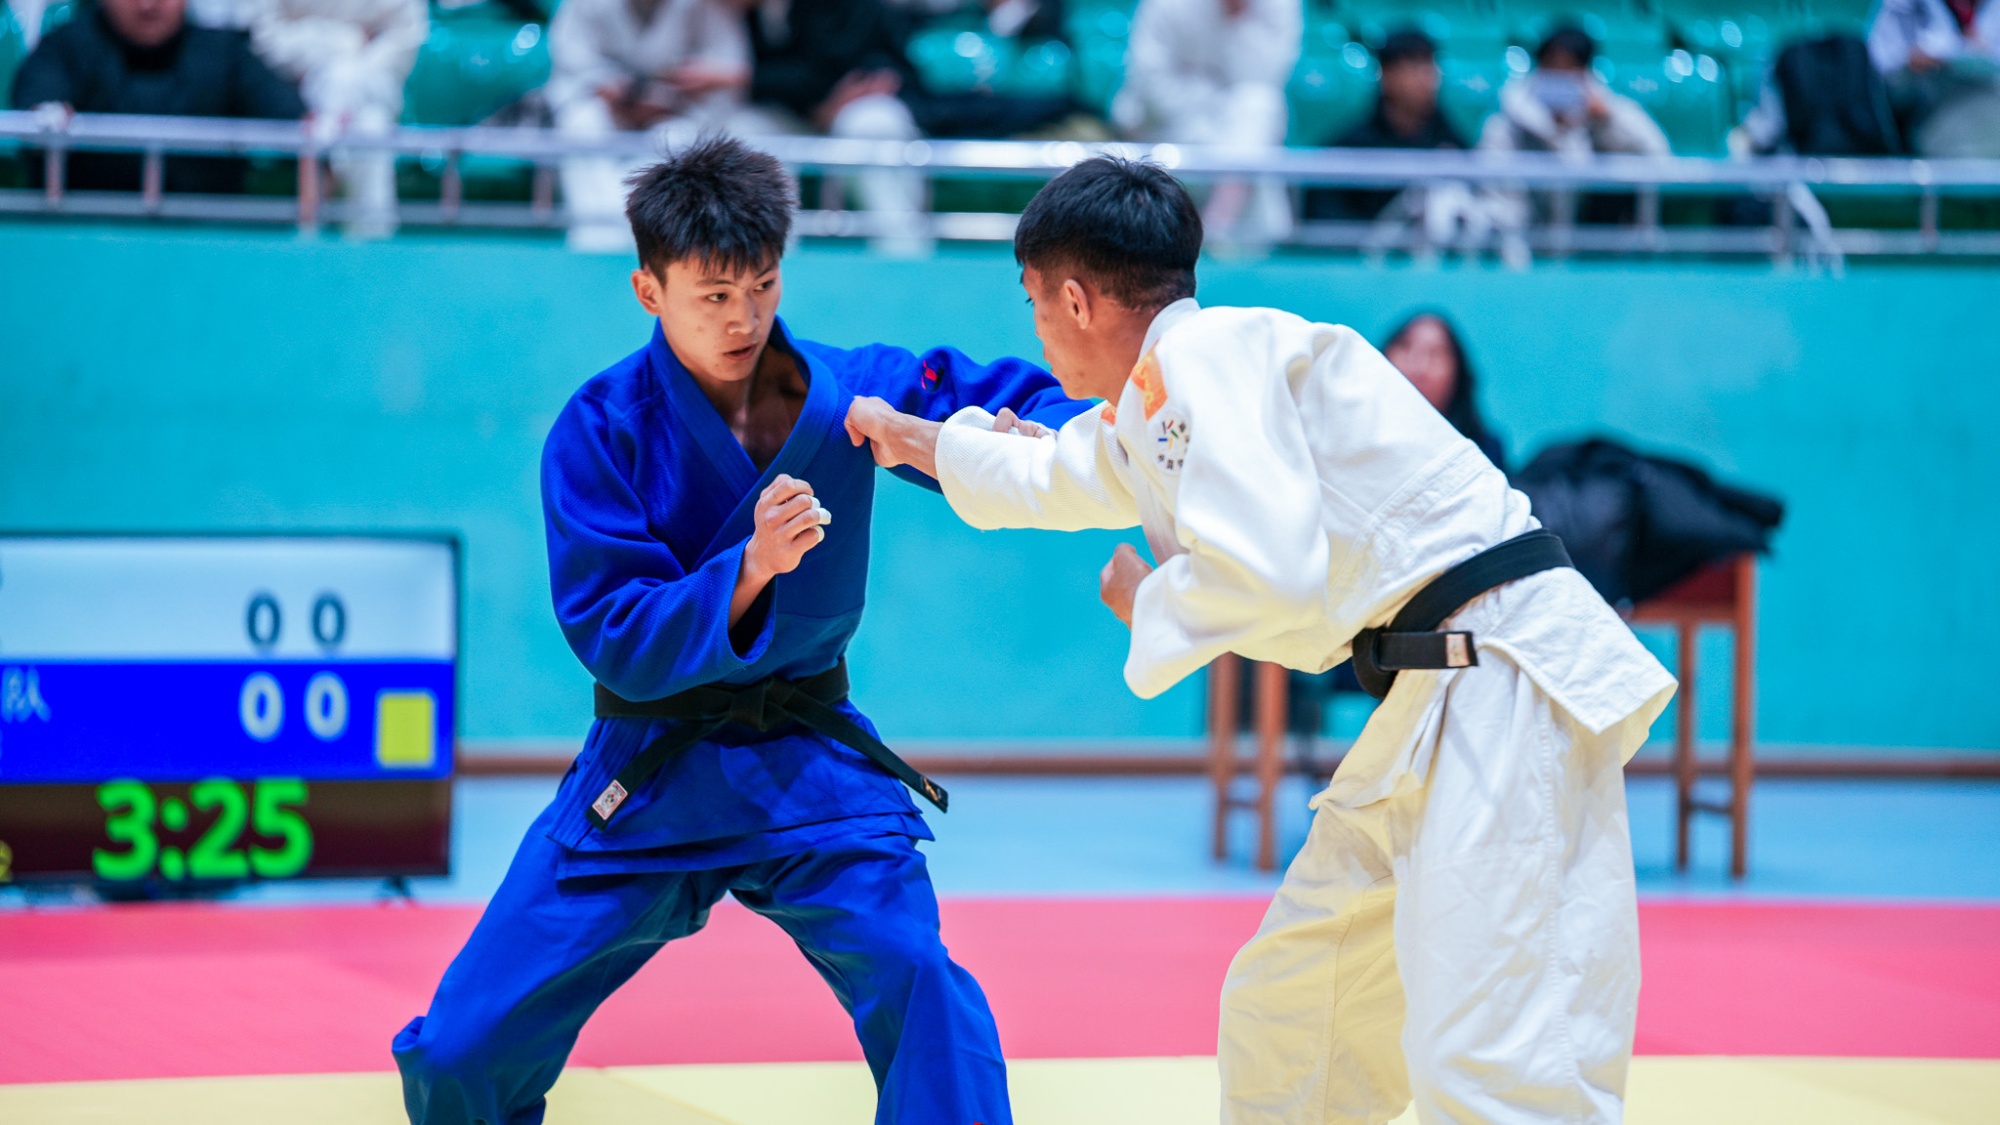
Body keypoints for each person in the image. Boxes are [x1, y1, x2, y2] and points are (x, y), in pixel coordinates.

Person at [845, 156, 1674, 1124]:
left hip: (1501, 678)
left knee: (1494, 1055)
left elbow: (1271, 571)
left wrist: (1153, 603)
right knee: (1293, 1011)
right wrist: (918, 440)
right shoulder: (1168, 391)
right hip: (1435, 694)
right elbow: (1064, 472)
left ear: (1073, 299)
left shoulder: (1209, 359)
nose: (1037, 333)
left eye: (1034, 305)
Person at [390, 135, 1089, 1125]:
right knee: (463, 1044)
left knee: (923, 981)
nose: (743, 318)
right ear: (649, 290)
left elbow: (988, 394)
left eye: (761, 287)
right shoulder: (600, 429)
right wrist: (749, 568)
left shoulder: (848, 394)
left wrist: (1034, 437)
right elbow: (613, 630)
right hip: (651, 770)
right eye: (713, 294)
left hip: (809, 760)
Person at [10, 0, 304, 193]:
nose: (148, 5)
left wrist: (311, 124)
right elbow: (37, 106)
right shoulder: (65, 49)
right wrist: (47, 115)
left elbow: (292, 117)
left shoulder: (225, 53)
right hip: (81, 243)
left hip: (209, 246)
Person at [546, 0, 752, 252]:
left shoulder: (705, 7)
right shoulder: (584, 5)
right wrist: (612, 89)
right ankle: (596, 236)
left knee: (677, 139)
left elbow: (730, 70)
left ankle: (648, 240)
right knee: (582, 124)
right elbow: (571, 65)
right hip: (606, 109)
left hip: (681, 115)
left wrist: (670, 97)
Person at [1111, 0, 1301, 243]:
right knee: (1251, 159)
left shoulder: (1281, 5)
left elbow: (1264, 78)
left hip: (1234, 133)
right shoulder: (1164, 5)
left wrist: (1238, 20)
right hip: (1162, 129)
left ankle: (1214, 226)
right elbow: (1151, 86)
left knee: (1259, 105)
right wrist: (1212, 94)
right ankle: (1212, 234)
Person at [249, 0, 427, 238]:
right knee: (371, 126)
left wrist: (356, 68)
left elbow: (407, 35)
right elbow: (268, 36)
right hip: (301, 83)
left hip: (375, 80)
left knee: (344, 83)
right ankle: (373, 241)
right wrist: (344, 40)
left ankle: (313, 225)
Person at [1480, 23, 1670, 227]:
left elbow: (1658, 154)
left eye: (1569, 67)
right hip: (1528, 235)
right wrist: (1551, 129)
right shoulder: (1506, 122)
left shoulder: (1605, 109)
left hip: (1590, 234)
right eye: (1552, 66)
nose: (1560, 76)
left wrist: (1607, 120)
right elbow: (1497, 199)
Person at [1303, 28, 1468, 222]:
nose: (1425, 78)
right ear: (1387, 75)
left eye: (1428, 66)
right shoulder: (1352, 146)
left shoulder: (1450, 141)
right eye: (1413, 67)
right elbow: (1324, 215)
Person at [1869, 0, 2000, 157]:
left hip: (1984, 113)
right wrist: (1911, 63)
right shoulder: (1899, 6)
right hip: (1926, 117)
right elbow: (1882, 70)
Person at [1381, 310, 1505, 473]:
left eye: (1435, 354)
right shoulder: (1354, 431)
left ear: (1458, 375)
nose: (1418, 366)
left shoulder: (1483, 453)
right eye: (1405, 346)